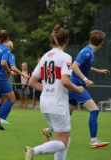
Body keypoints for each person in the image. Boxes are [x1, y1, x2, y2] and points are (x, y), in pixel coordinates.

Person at [24, 24, 84, 160]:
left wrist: (47, 89)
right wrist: (78, 89)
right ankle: (33, 151)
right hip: (58, 103)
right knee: (63, 142)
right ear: (67, 41)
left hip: (45, 104)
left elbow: (31, 82)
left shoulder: (45, 57)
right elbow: (65, 81)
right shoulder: (65, 57)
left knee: (62, 139)